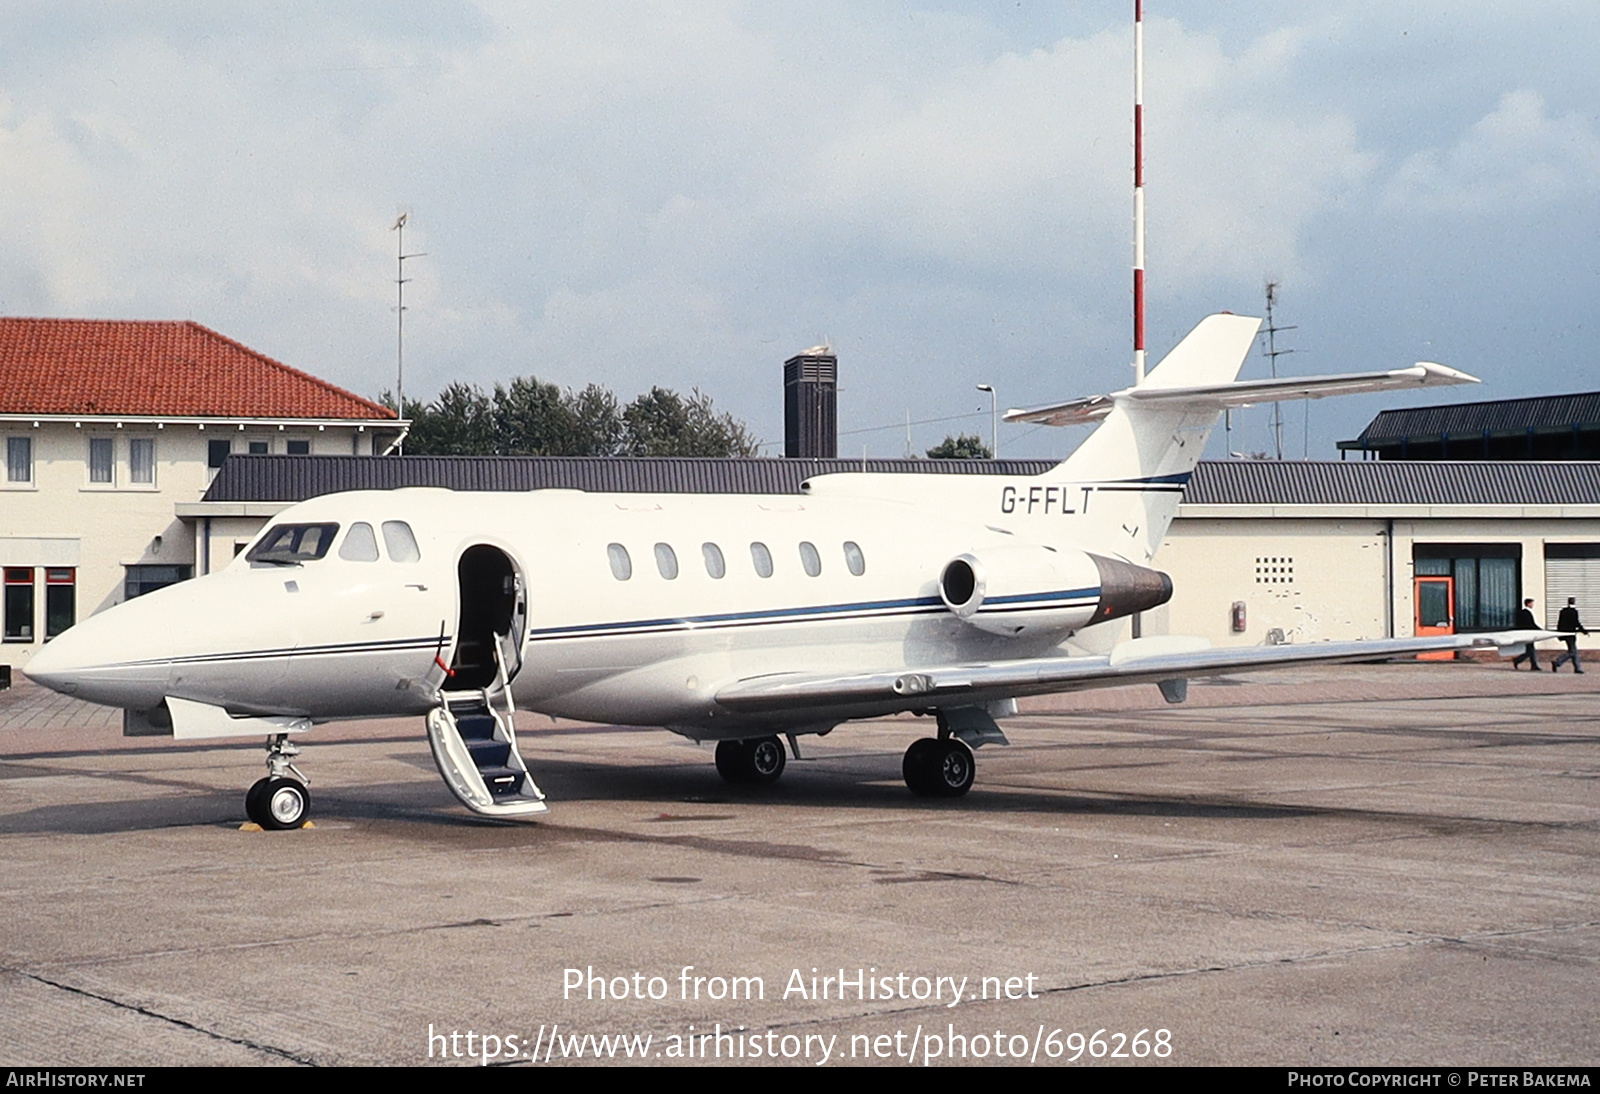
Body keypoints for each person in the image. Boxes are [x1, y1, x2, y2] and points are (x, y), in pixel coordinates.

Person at [1551, 597, 1589, 673]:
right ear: (1574, 602)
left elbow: (1559, 623)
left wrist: (1559, 633)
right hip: (1571, 634)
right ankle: (1558, 662)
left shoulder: (1563, 611)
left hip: (1564, 633)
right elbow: (1576, 623)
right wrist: (1584, 631)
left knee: (1574, 651)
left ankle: (1577, 668)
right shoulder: (1574, 612)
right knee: (1572, 651)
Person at [1511, 598, 1541, 671]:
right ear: (1528, 604)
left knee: (1530, 650)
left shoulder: (1524, 612)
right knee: (1530, 650)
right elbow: (1530, 624)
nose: (1533, 605)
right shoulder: (1526, 613)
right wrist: (1539, 630)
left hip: (1527, 634)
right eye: (1532, 603)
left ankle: (1533, 665)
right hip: (1527, 634)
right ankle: (1518, 660)